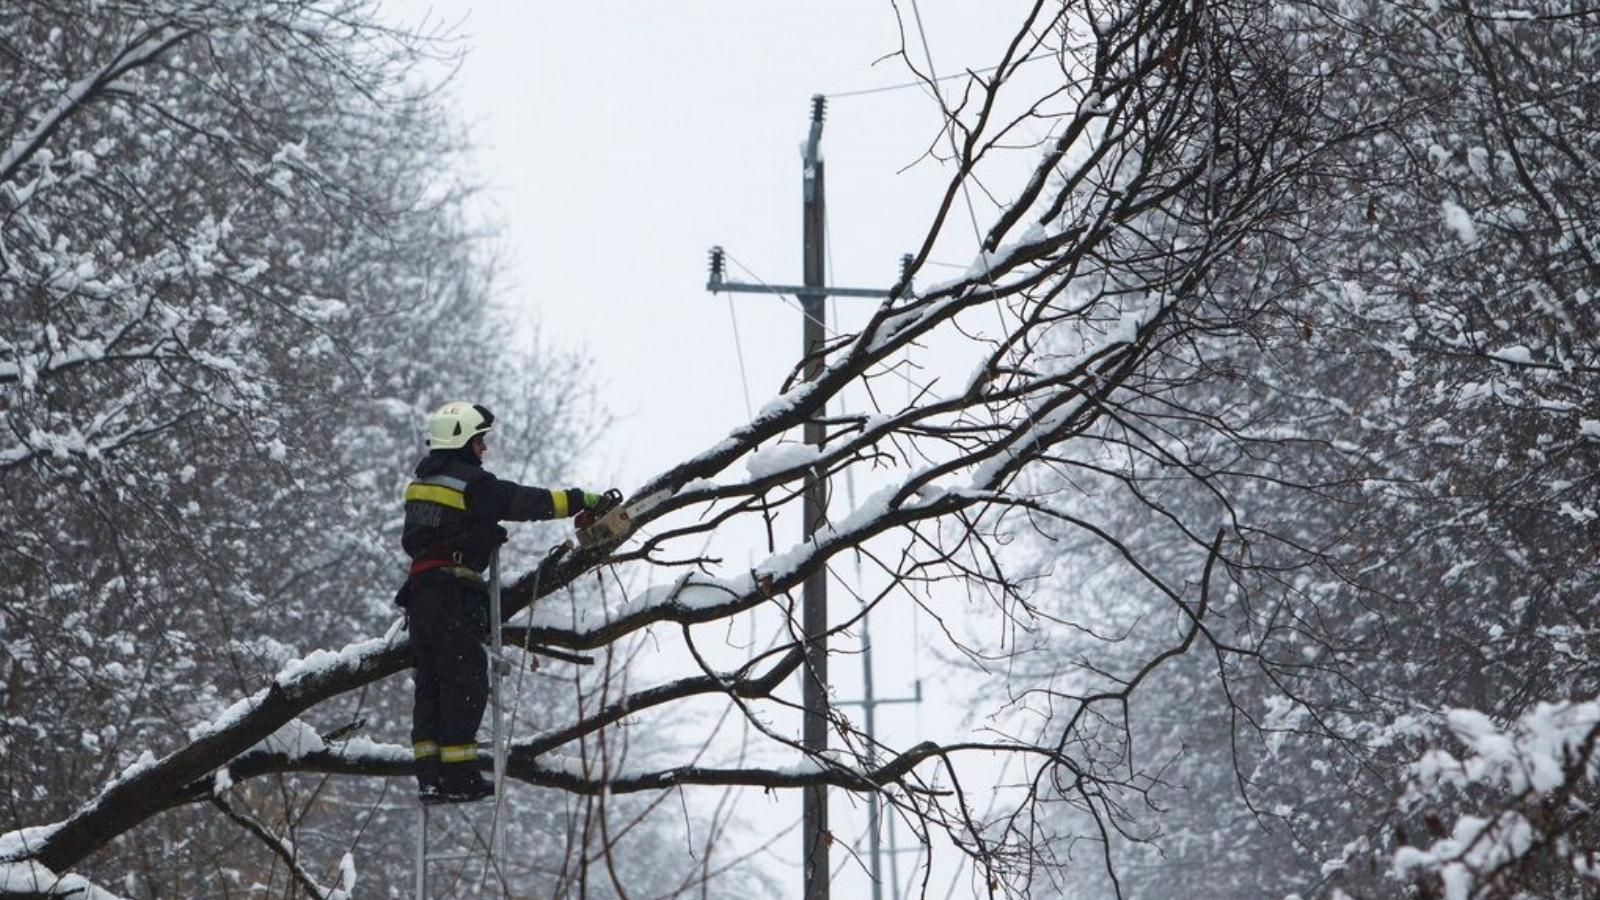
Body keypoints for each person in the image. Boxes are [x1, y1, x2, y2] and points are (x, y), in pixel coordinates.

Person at [398, 401, 605, 804]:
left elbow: (438, 532)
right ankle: (459, 777)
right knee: (466, 680)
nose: (484, 450)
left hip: (420, 596)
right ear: (461, 442)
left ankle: (430, 778)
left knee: (431, 685)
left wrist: (477, 533)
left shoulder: (419, 485)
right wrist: (582, 500)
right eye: (480, 441)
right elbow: (524, 502)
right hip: (453, 594)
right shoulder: (470, 484)